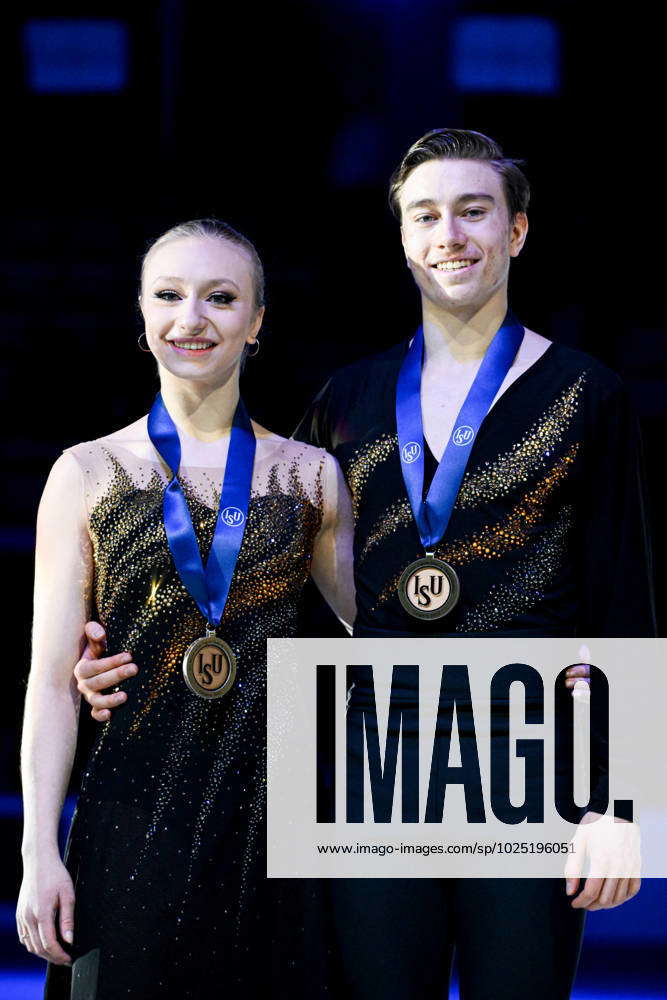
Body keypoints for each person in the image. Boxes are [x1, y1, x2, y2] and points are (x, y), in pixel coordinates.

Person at [72, 130, 654, 998]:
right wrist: (133, 656)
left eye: (472, 211)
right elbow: (274, 589)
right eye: (425, 215)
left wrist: (620, 803)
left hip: (527, 761)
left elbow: (625, 599)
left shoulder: (587, 395)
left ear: (517, 232)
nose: (448, 234)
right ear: (404, 239)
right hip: (369, 764)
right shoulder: (347, 401)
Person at [16, 218, 355, 1000]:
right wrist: (40, 850)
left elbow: (381, 646)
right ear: (141, 313)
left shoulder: (310, 478)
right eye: (169, 295)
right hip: (129, 828)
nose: (191, 318)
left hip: (276, 836)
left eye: (220, 297)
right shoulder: (86, 473)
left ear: (257, 320)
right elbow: (50, 683)